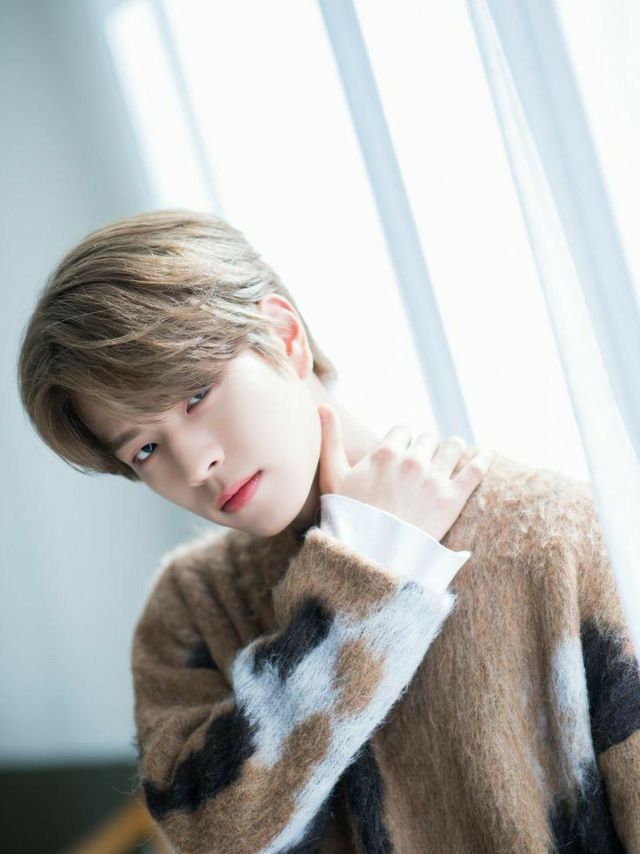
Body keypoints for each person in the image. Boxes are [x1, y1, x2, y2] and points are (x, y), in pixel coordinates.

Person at [17, 209, 639, 853]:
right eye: (145, 449)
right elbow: (215, 837)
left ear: (284, 336)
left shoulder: (561, 540)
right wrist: (360, 585)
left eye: (197, 394)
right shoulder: (191, 606)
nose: (194, 464)